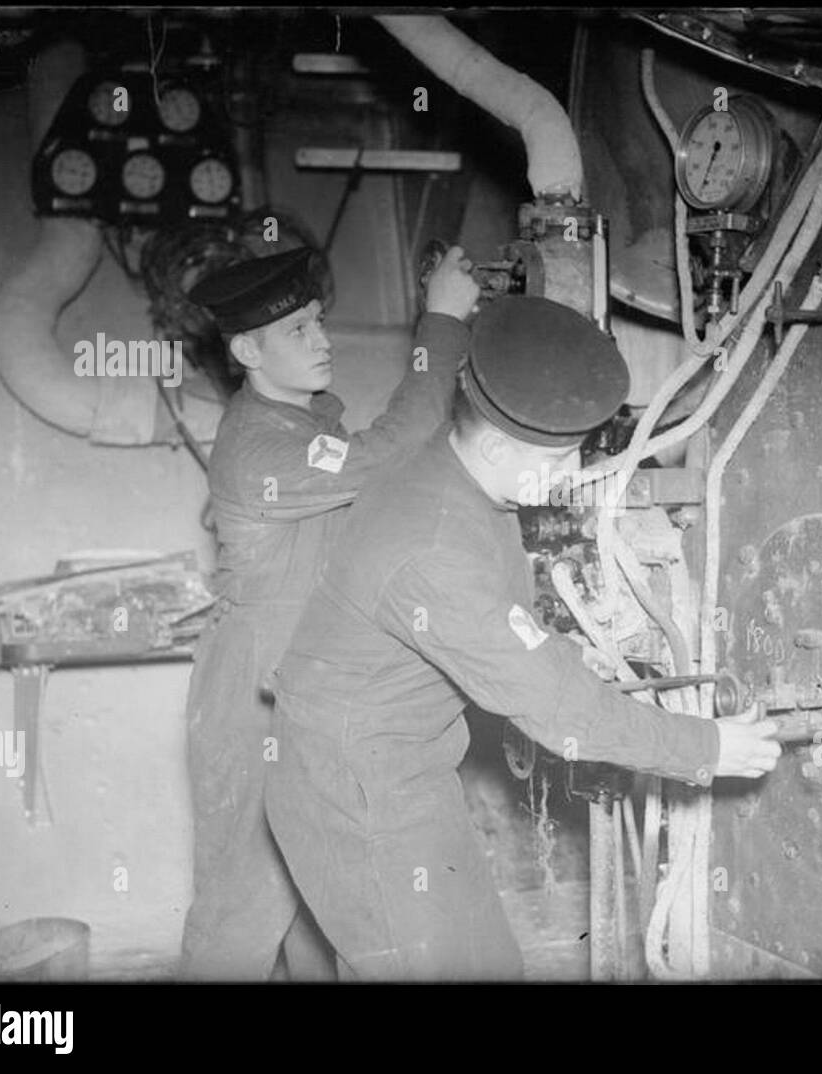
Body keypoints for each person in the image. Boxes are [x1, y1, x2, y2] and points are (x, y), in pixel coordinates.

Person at [264, 294, 782, 981]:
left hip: (385, 767)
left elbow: (505, 628)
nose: (574, 477)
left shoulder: (458, 472)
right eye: (565, 457)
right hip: (359, 795)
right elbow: (561, 713)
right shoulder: (436, 545)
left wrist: (564, 651)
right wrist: (710, 747)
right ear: (502, 443)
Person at [179, 243, 480, 980]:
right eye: (297, 332)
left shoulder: (304, 425)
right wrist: (440, 323)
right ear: (247, 349)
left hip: (305, 688)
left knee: (327, 899)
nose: (322, 342)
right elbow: (389, 452)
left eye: (319, 322)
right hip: (253, 700)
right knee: (242, 910)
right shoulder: (258, 448)